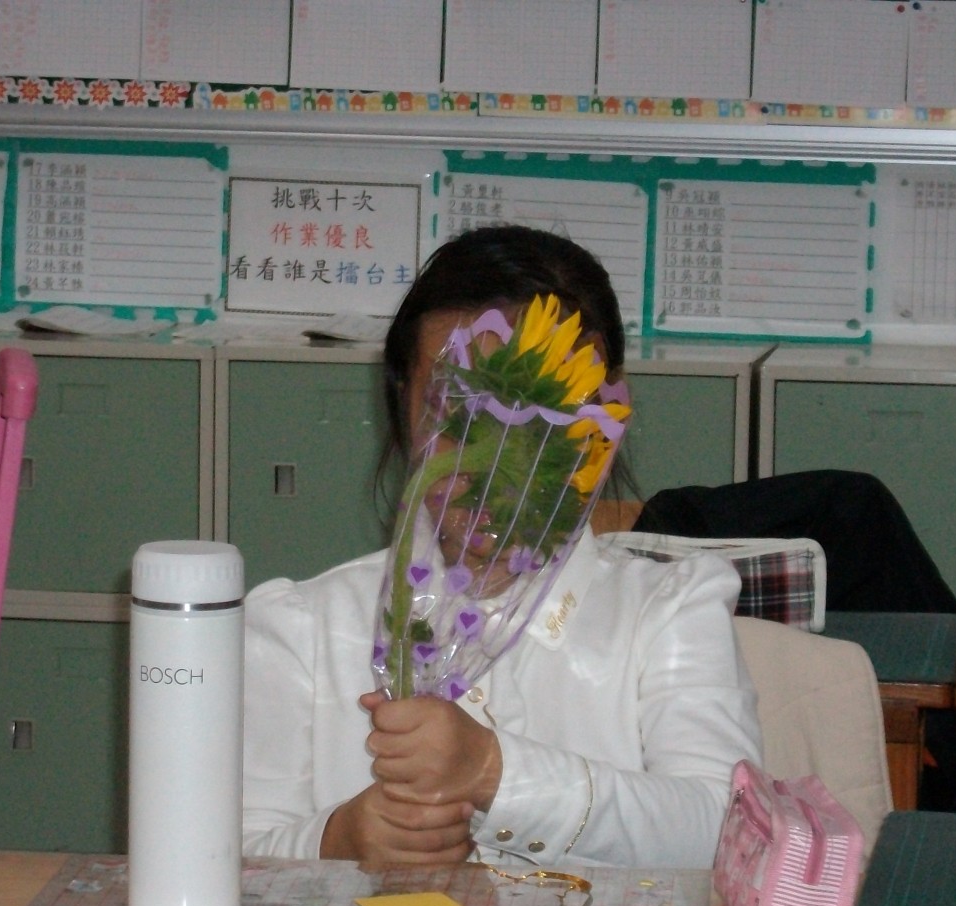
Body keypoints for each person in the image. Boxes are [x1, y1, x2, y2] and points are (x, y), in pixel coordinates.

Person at [243, 226, 762, 869]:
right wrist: (336, 840)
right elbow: (226, 860)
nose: (490, 463)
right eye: (453, 409)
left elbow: (726, 835)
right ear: (403, 406)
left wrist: (495, 770)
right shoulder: (299, 628)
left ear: (601, 423)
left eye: (539, 416)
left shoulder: (670, 609)